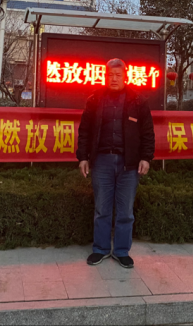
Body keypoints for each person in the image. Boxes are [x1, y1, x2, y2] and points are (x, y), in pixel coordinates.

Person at [77, 58, 155, 269]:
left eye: (118, 75)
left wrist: (146, 158)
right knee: (102, 209)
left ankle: (121, 251)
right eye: (110, 75)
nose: (114, 79)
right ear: (105, 76)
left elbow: (147, 133)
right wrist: (83, 157)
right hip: (102, 161)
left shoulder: (138, 101)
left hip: (129, 164)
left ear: (125, 77)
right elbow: (84, 131)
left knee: (125, 211)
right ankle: (100, 249)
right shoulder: (95, 100)